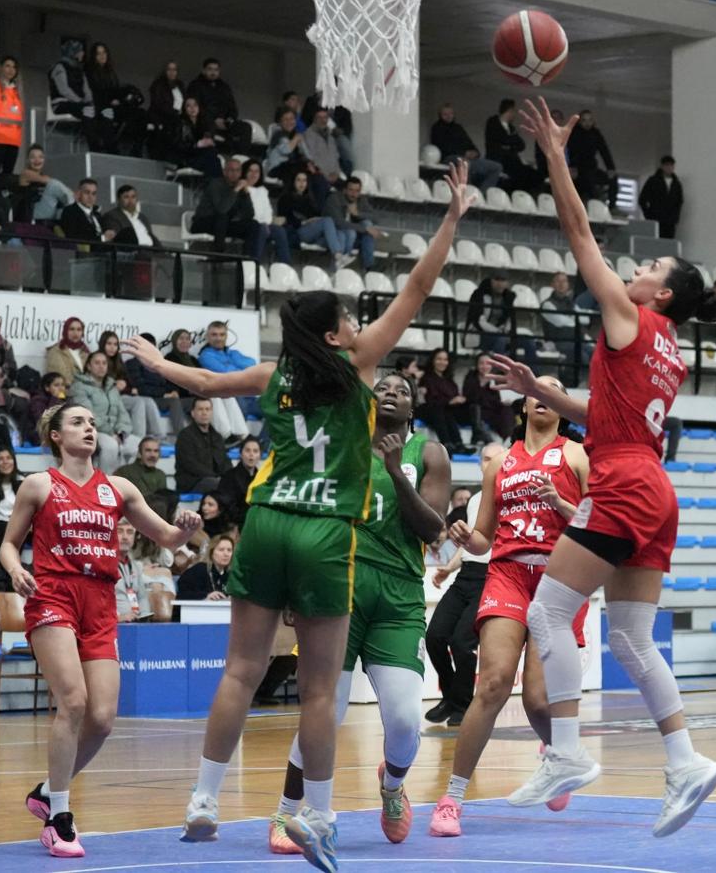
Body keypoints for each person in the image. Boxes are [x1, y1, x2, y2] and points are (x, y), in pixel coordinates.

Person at [124, 159, 471, 871]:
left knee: (239, 672)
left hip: (265, 524)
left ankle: (203, 800)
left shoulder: (273, 374)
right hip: (323, 532)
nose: (357, 324)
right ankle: (317, 814)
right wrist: (451, 219)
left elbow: (204, 380)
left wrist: (156, 363)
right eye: (348, 319)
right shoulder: (361, 365)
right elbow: (417, 287)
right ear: (337, 336)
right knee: (319, 690)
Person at [480, 101, 716, 837]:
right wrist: (543, 391)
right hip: (654, 484)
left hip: (620, 481)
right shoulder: (670, 349)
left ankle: (564, 752)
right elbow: (606, 410)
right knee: (631, 638)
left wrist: (556, 155)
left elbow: (579, 232)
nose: (636, 270)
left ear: (662, 294)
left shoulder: (630, 316)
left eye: (649, 268)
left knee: (548, 613)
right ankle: (685, 760)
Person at [1, 402, 202, 858]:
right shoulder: (39, 485)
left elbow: (167, 538)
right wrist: (15, 570)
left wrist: (184, 529)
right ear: (56, 436)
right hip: (53, 595)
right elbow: (9, 544)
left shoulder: (119, 488)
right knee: (73, 701)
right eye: (78, 422)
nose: (89, 428)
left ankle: (47, 791)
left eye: (92, 423)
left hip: (100, 602)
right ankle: (59, 817)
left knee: (103, 718)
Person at [266, 372, 450, 855]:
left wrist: (395, 472)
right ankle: (286, 811)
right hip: (337, 589)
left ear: (412, 410)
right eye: (383, 387)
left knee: (405, 720)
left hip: (398, 598)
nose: (391, 393)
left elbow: (433, 528)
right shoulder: (336, 447)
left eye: (403, 391)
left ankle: (392, 786)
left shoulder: (428, 453)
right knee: (325, 710)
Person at [428, 380, 590, 837]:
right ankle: (452, 799)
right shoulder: (500, 462)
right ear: (524, 405)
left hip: (558, 577)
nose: (544, 394)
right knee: (494, 683)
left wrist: (560, 503)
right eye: (537, 388)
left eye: (555, 389)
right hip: (508, 574)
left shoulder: (578, 455)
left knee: (538, 698)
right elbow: (483, 538)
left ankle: (558, 756)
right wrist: (466, 538)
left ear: (562, 408)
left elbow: (597, 521)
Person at [422, 483, 485, 729]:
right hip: (465, 574)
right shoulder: (475, 500)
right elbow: (469, 542)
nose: (487, 465)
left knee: (462, 643)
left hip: (490, 575)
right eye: (484, 463)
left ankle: (463, 705)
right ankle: (451, 697)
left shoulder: (508, 496)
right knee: (434, 636)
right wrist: (449, 568)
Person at [69, 351, 141, 471]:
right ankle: (106, 479)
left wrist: (121, 432)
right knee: (111, 446)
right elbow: (88, 416)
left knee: (139, 445)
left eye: (104, 363)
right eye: (97, 363)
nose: (101, 366)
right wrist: (111, 433)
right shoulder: (79, 387)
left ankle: (126, 478)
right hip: (92, 430)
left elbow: (122, 413)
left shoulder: (112, 387)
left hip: (116, 432)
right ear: (89, 366)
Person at [96, 331, 167, 441]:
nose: (112, 347)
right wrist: (115, 385)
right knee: (138, 402)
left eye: (115, 344)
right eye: (109, 344)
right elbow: (95, 382)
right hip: (105, 397)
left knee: (148, 400)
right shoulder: (97, 359)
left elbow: (127, 382)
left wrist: (125, 387)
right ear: (102, 344)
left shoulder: (118, 360)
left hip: (120, 396)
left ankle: (159, 437)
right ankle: (139, 440)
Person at [277, 169, 352, 270]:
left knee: (341, 234)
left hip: (314, 234)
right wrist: (304, 222)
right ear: (293, 182)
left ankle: (335, 269)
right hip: (298, 231)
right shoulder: (285, 198)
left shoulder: (309, 199)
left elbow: (316, 215)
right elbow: (284, 219)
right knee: (327, 221)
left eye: (304, 180)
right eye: (298, 180)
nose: (302, 183)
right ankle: (338, 256)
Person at [428, 103, 502, 190]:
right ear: (440, 115)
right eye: (445, 114)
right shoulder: (437, 128)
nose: (448, 116)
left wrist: (475, 152)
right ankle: (467, 191)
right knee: (464, 163)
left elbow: (470, 144)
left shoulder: (458, 128)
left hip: (469, 159)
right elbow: (443, 148)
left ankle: (482, 194)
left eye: (450, 113)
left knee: (496, 167)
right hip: (450, 158)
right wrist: (464, 153)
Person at [186, 57, 251, 153]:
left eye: (216, 70)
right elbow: (194, 107)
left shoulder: (224, 87)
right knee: (207, 125)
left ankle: (240, 156)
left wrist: (229, 119)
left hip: (224, 122)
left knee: (245, 127)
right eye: (210, 69)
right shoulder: (195, 86)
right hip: (204, 121)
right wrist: (214, 120)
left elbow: (232, 107)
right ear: (203, 70)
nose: (213, 72)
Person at [111, 437, 180, 527]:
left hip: (157, 516)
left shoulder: (160, 474)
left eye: (156, 451)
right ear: (140, 453)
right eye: (148, 451)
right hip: (133, 514)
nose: (152, 455)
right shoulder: (124, 472)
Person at [417, 348, 468, 453]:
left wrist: (458, 400)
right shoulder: (426, 378)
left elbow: (455, 395)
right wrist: (449, 401)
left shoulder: (449, 379)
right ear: (433, 361)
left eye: (445, 359)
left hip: (447, 410)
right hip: (430, 410)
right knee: (439, 410)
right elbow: (430, 400)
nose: (442, 362)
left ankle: (459, 445)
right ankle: (446, 444)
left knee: (449, 412)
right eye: (439, 359)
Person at [485, 98, 539, 194]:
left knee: (534, 174)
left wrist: (508, 145)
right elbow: (499, 140)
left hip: (512, 160)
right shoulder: (493, 122)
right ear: (509, 110)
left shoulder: (511, 128)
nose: (515, 114)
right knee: (520, 174)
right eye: (514, 111)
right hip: (499, 159)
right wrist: (511, 143)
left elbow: (521, 145)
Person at [14, 145, 75, 224]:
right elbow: (52, 183)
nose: (37, 160)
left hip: (45, 212)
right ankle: (75, 207)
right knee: (54, 185)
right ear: (27, 160)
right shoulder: (25, 173)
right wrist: (72, 194)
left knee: (63, 211)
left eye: (40, 157)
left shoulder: (44, 177)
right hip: (31, 213)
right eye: (33, 157)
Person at [215, 435, 263, 529]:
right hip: (235, 525)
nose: (251, 454)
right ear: (241, 454)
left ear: (260, 455)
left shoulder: (262, 479)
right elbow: (226, 506)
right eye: (247, 450)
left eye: (255, 451)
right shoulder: (229, 477)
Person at [337, 175, 384, 270]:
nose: (354, 194)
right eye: (351, 190)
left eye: (357, 191)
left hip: (356, 238)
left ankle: (369, 265)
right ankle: (346, 262)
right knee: (356, 231)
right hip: (339, 236)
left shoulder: (361, 200)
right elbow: (338, 223)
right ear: (345, 190)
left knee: (367, 224)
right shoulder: (337, 199)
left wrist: (358, 214)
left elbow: (375, 218)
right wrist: (365, 228)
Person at [566, 109, 614, 200]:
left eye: (590, 120)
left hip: (591, 167)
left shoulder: (596, 134)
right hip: (577, 168)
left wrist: (610, 168)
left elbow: (604, 151)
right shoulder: (574, 133)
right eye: (584, 120)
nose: (587, 123)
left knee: (612, 179)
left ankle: (611, 205)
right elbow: (572, 151)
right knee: (584, 186)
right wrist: (572, 166)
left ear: (593, 121)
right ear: (579, 121)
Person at [178, 534, 236, 601]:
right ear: (211, 552)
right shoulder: (199, 570)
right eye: (221, 550)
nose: (226, 554)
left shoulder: (230, 574)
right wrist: (206, 596)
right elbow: (182, 595)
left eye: (229, 550)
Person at [638, 155, 683, 239]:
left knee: (668, 243)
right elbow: (642, 199)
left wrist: (675, 218)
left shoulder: (676, 184)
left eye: (671, 166)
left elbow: (679, 202)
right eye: (667, 165)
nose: (669, 168)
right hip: (656, 219)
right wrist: (649, 215)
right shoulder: (653, 181)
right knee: (655, 242)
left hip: (670, 222)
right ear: (662, 166)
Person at [57, 179, 111, 244]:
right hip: (89, 248)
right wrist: (102, 238)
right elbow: (73, 237)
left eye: (94, 194)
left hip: (107, 246)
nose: (90, 197)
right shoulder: (70, 211)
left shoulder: (97, 213)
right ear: (79, 194)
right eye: (87, 193)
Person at [45, 317, 90, 387]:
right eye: (72, 329)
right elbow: (61, 379)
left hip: (87, 390)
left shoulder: (85, 351)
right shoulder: (55, 351)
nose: (75, 333)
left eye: (79, 329)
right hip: (66, 391)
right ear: (65, 331)